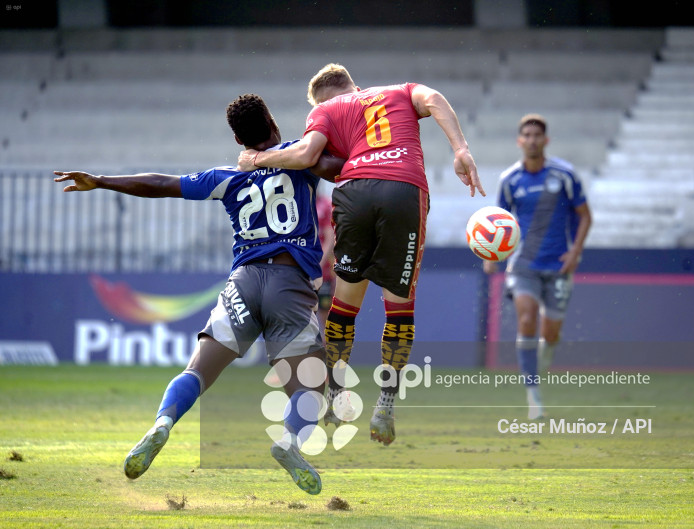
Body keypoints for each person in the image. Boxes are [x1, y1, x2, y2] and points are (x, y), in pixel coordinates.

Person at [53, 93, 343, 495]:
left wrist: (101, 180)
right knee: (311, 390)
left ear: (238, 140)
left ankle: (163, 422)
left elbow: (163, 184)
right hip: (289, 285)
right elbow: (341, 167)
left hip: (241, 282)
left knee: (196, 371)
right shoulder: (300, 155)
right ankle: (288, 442)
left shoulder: (227, 176)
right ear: (273, 124)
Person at [237, 63, 484, 445]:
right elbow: (434, 100)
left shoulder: (324, 111)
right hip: (404, 188)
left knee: (344, 304)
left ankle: (336, 394)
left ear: (324, 99)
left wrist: (255, 159)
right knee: (399, 306)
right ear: (353, 86)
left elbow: (306, 155)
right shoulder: (401, 90)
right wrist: (461, 149)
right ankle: (385, 403)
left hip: (356, 192)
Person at [483, 113, 592, 420]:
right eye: (526, 135)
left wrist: (575, 253)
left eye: (536, 135)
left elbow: (585, 216)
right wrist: (491, 256)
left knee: (551, 333)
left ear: (546, 140)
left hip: (559, 265)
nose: (531, 140)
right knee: (527, 319)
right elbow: (498, 224)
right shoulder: (510, 180)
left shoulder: (565, 175)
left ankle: (538, 369)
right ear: (520, 141)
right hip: (524, 265)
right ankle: (533, 397)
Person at [315, 191, 335, 327]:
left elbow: (330, 238)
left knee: (324, 312)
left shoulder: (326, 204)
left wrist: (318, 263)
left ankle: (328, 346)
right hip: (300, 271)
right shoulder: (295, 203)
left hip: (324, 272)